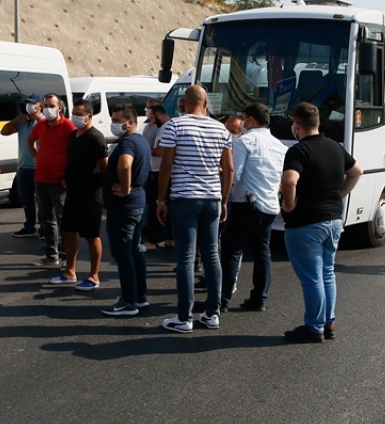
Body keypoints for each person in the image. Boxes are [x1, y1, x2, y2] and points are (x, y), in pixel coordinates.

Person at [280, 102, 363, 343]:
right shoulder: (335, 147)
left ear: (297, 125)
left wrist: (289, 205)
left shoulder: (299, 151)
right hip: (333, 219)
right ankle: (328, 322)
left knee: (312, 278)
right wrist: (339, 194)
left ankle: (314, 327)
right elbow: (357, 171)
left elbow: (289, 180)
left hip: (306, 222)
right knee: (327, 273)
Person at [155, 85, 233, 333]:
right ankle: (212, 314)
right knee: (211, 255)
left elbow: (166, 166)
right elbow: (229, 169)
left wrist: (160, 200)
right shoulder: (221, 129)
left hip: (184, 197)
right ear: (206, 103)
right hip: (212, 198)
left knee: (186, 258)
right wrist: (223, 200)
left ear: (185, 103)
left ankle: (184, 317)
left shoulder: (174, 126)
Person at [220, 103, 287, 313]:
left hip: (246, 204)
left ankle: (221, 300)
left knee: (231, 250)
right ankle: (259, 299)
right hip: (269, 205)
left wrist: (224, 196)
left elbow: (235, 174)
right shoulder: (280, 146)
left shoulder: (244, 142)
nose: (241, 122)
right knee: (262, 251)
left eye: (243, 118)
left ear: (250, 120)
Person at [100, 105, 151, 316]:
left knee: (124, 254)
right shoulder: (141, 141)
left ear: (130, 122)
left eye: (117, 120)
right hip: (138, 203)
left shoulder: (128, 142)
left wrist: (125, 187)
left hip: (124, 207)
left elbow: (125, 164)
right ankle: (139, 297)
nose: (113, 123)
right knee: (135, 250)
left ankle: (128, 301)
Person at [53, 99, 107, 290]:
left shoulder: (95, 138)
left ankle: (94, 276)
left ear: (89, 116)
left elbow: (104, 168)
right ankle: (70, 272)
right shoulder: (74, 135)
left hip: (91, 195)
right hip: (73, 193)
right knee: (68, 231)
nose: (75, 117)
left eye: (79, 114)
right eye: (74, 113)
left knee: (91, 235)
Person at [28, 93, 75, 267]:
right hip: (41, 179)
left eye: (51, 106)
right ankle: (51, 255)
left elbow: (75, 152)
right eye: (45, 105)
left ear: (59, 108)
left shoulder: (68, 126)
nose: (47, 109)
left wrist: (68, 176)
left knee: (64, 220)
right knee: (47, 220)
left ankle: (67, 258)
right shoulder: (41, 125)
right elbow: (30, 139)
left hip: (59, 182)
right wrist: (36, 156)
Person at [2, 94, 43, 238]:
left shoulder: (44, 122)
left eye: (32, 103)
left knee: (42, 201)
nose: (29, 106)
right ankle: (29, 227)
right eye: (27, 103)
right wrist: (18, 119)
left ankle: (44, 229)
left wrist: (37, 118)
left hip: (39, 167)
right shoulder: (23, 122)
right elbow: (4, 131)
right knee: (27, 201)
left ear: (40, 106)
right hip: (23, 167)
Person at [141, 102, 170, 251]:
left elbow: (160, 151)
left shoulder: (166, 128)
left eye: (152, 118)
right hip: (158, 170)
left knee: (155, 205)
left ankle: (153, 240)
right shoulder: (166, 127)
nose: (152, 123)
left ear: (158, 114)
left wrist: (144, 148)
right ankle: (169, 238)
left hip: (159, 172)